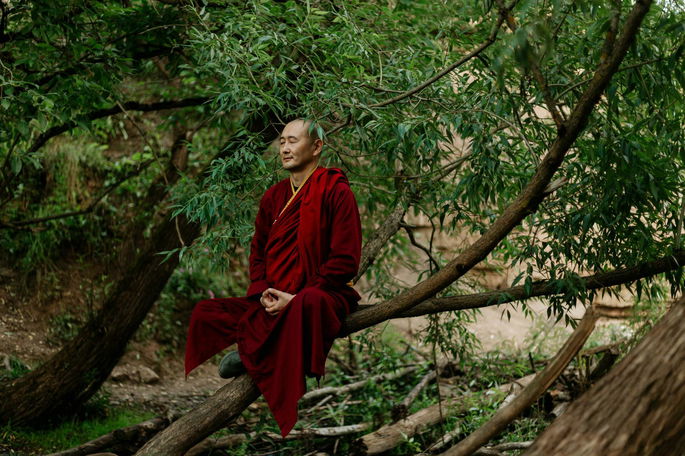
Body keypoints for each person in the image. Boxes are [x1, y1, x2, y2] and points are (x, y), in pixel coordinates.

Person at [184, 119, 362, 437]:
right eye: (281, 142)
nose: (285, 148)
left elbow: (345, 259)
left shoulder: (336, 191)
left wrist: (295, 297)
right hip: (273, 296)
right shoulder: (273, 197)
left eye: (292, 141)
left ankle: (252, 353)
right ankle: (265, 349)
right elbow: (259, 254)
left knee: (310, 304)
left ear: (317, 146)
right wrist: (263, 291)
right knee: (206, 313)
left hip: (320, 293)